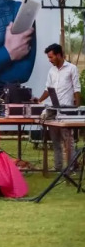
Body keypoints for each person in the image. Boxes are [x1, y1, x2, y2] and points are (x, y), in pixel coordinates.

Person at [33, 43, 81, 172]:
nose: (49, 60)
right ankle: (58, 167)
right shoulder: (52, 71)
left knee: (68, 140)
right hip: (53, 109)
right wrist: (39, 100)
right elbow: (48, 89)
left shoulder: (72, 68)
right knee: (55, 140)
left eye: (51, 57)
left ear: (59, 55)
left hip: (66, 110)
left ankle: (71, 166)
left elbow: (77, 89)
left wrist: (77, 109)